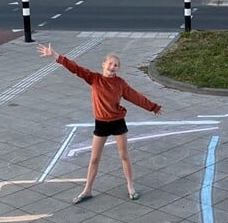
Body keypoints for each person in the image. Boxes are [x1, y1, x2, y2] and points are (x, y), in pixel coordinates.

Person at [38, 44, 163, 203]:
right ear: (103, 64)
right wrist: (54, 55)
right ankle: (88, 189)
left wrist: (153, 107)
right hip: (101, 124)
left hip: (118, 122)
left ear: (118, 69)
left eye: (116, 65)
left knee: (124, 155)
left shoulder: (120, 83)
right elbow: (75, 68)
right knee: (94, 158)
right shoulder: (94, 78)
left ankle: (130, 186)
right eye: (110, 63)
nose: (113, 67)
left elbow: (135, 96)